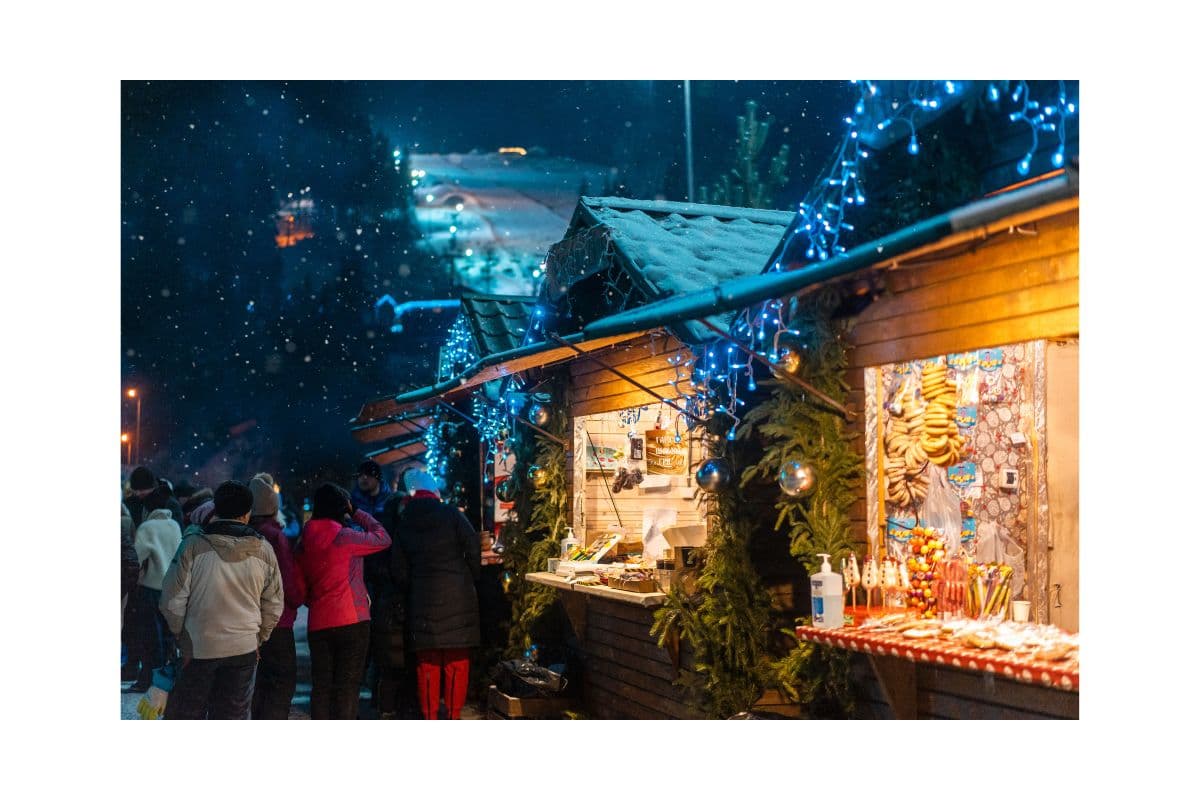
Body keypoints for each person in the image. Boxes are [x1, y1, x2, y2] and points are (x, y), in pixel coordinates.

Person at [160, 480, 283, 719]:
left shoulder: (192, 546)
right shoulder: (264, 550)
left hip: (198, 647)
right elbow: (274, 604)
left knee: (188, 714)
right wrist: (258, 637)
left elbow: (171, 600)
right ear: (247, 513)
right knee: (231, 716)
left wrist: (181, 636)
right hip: (243, 648)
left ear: (216, 508)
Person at [294, 482, 390, 719]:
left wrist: (313, 600)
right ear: (341, 507)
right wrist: (357, 512)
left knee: (322, 686)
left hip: (319, 621)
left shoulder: (304, 540)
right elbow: (382, 537)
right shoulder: (346, 537)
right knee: (347, 686)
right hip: (351, 619)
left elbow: (300, 581)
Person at [392, 469, 481, 720]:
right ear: (434, 492)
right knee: (456, 662)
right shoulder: (452, 515)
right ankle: (453, 716)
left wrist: (413, 587)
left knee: (427, 665)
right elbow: (473, 547)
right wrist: (470, 577)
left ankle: (430, 717)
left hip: (421, 602)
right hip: (458, 599)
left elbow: (398, 569)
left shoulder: (404, 522)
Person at [247, 473, 306, 719]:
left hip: (251, 620)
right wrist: (298, 597)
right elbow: (287, 580)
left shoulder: (246, 534)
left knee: (260, 683)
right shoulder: (275, 536)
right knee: (281, 682)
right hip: (278, 621)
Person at [126, 489, 183, 692]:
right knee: (167, 638)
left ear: (147, 508)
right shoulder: (174, 525)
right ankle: (163, 681)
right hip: (172, 588)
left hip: (150, 589)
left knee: (149, 638)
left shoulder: (147, 527)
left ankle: (147, 679)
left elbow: (137, 556)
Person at [368, 488, 410, 718]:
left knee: (384, 661)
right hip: (395, 601)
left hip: (382, 602)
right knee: (395, 662)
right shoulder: (402, 533)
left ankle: (384, 707)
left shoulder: (379, 535)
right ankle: (394, 707)